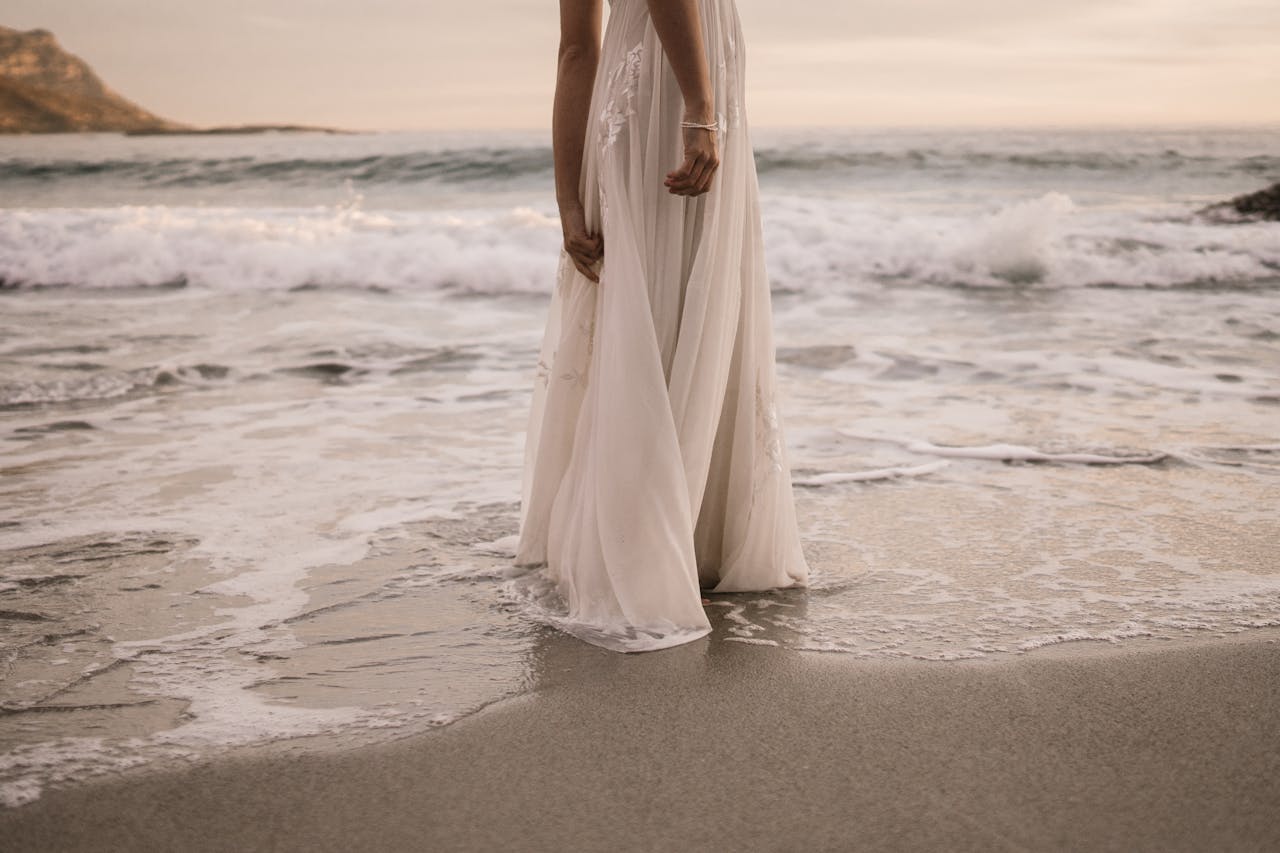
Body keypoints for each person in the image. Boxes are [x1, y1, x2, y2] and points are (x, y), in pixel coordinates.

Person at [512, 0, 809, 652]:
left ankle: (650, 540)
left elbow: (575, 49)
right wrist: (702, 109)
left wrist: (568, 199)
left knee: (654, 305)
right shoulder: (694, 102)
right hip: (674, 98)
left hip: (635, 98)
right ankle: (665, 550)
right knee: (684, 299)